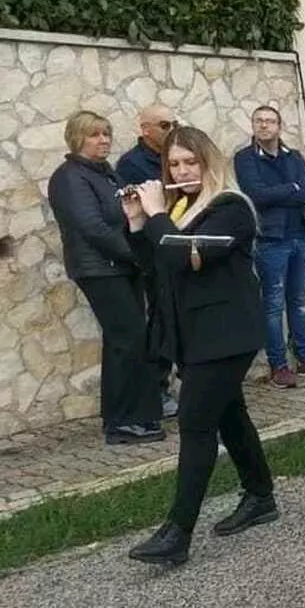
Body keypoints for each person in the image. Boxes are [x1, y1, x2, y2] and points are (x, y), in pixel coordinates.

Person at [123, 126, 277, 565]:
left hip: (227, 333)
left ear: (209, 162)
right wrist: (138, 221)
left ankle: (178, 532)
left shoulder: (231, 207)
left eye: (191, 161)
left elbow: (177, 254)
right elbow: (157, 267)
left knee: (194, 422)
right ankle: (261, 496)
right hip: (196, 333)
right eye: (174, 163)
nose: (182, 170)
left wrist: (156, 216)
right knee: (231, 416)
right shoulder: (184, 207)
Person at [47, 111, 164, 445]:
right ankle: (124, 422)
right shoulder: (69, 177)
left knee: (125, 341)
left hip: (121, 266)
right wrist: (138, 253)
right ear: (77, 138)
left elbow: (121, 217)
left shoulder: (105, 173)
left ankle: (127, 417)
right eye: (95, 135)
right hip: (99, 269)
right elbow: (93, 228)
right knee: (128, 338)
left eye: (107, 134)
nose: (104, 141)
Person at [233, 105, 305, 388]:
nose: (264, 126)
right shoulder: (245, 159)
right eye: (259, 121)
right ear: (253, 126)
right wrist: (291, 189)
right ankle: (278, 365)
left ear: (279, 126)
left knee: (298, 302)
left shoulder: (294, 157)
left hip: (299, 236)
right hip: (270, 240)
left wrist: (286, 191)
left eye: (270, 121)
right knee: (273, 306)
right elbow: (256, 195)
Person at [116, 103, 180, 418]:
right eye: (166, 125)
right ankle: (158, 389)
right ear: (146, 129)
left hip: (180, 245)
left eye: (175, 124)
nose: (172, 130)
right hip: (155, 254)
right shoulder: (131, 164)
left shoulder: (176, 156)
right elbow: (155, 203)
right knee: (161, 321)